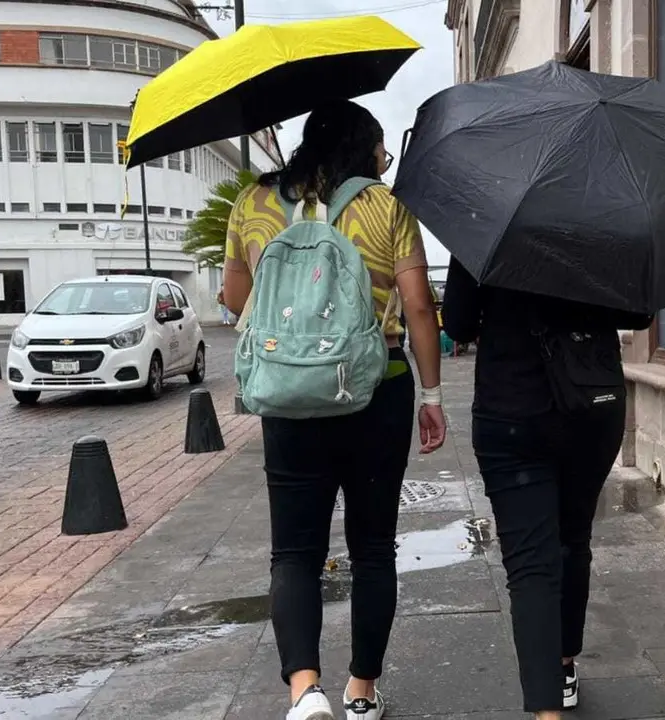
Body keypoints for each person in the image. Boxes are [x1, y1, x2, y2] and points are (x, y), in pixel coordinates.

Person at [221, 100, 447, 720]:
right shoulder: (386, 206)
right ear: (363, 148)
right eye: (383, 151)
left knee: (293, 550)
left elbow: (235, 299)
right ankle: (362, 692)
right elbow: (420, 305)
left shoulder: (254, 203)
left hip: (290, 398)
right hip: (379, 389)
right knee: (373, 547)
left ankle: (304, 691)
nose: (385, 161)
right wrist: (431, 396)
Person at [441, 256, 652, 720]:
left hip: (511, 407)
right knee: (573, 539)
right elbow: (639, 313)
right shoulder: (601, 218)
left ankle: (547, 709)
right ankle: (563, 664)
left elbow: (457, 323)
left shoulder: (486, 213)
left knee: (531, 565)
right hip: (590, 402)